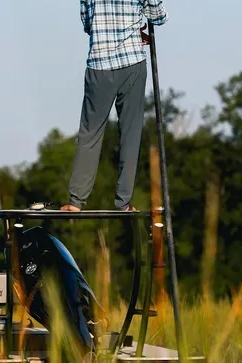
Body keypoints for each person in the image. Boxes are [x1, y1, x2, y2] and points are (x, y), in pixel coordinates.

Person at [61, 0, 168, 212]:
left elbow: (87, 22)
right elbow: (158, 15)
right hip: (132, 63)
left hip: (98, 64)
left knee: (90, 133)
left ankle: (76, 202)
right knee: (130, 134)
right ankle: (123, 203)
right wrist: (135, 27)